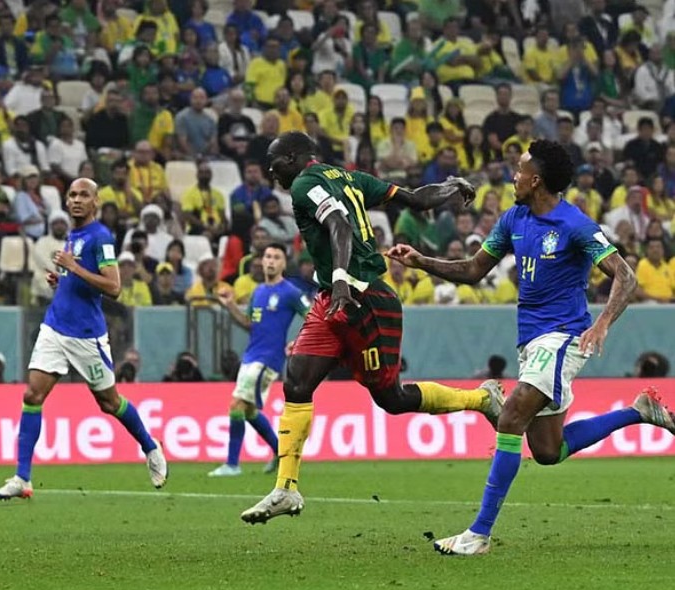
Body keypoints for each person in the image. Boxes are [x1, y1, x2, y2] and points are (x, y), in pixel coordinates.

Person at [386, 139, 675, 556]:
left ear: (536, 180)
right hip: (532, 341)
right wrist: (420, 261)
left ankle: (478, 534)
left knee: (510, 417)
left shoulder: (574, 225)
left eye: (519, 171)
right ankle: (638, 412)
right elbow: (472, 270)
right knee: (546, 450)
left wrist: (602, 324)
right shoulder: (512, 219)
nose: (513, 177)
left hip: (563, 338)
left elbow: (625, 277)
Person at [240, 132, 503, 524]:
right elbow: (415, 198)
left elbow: (340, 226)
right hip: (332, 297)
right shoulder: (351, 178)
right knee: (296, 381)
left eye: (275, 162)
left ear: (294, 158)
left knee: (391, 399)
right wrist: (449, 187)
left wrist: (343, 279)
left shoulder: (304, 184)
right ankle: (285, 489)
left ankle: (481, 400)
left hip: (365, 297)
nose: (271, 170)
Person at [0, 178, 167, 500]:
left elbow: (113, 287)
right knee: (32, 395)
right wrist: (65, 279)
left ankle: (150, 446)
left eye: (84, 195)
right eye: (72, 194)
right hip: (55, 326)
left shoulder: (100, 237)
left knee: (109, 402)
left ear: (96, 201)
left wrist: (73, 267)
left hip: (86, 336)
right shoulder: (73, 235)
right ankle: (22, 478)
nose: (76, 200)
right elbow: (84, 278)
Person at [209, 243, 308, 477]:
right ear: (262, 262)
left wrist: (299, 341)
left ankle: (232, 464)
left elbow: (312, 316)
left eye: (276, 257)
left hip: (268, 359)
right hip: (251, 354)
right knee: (250, 410)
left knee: (236, 405)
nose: (271, 260)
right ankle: (280, 451)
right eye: (268, 256)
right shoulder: (258, 292)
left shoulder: (291, 292)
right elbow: (249, 324)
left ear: (283, 263)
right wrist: (230, 305)